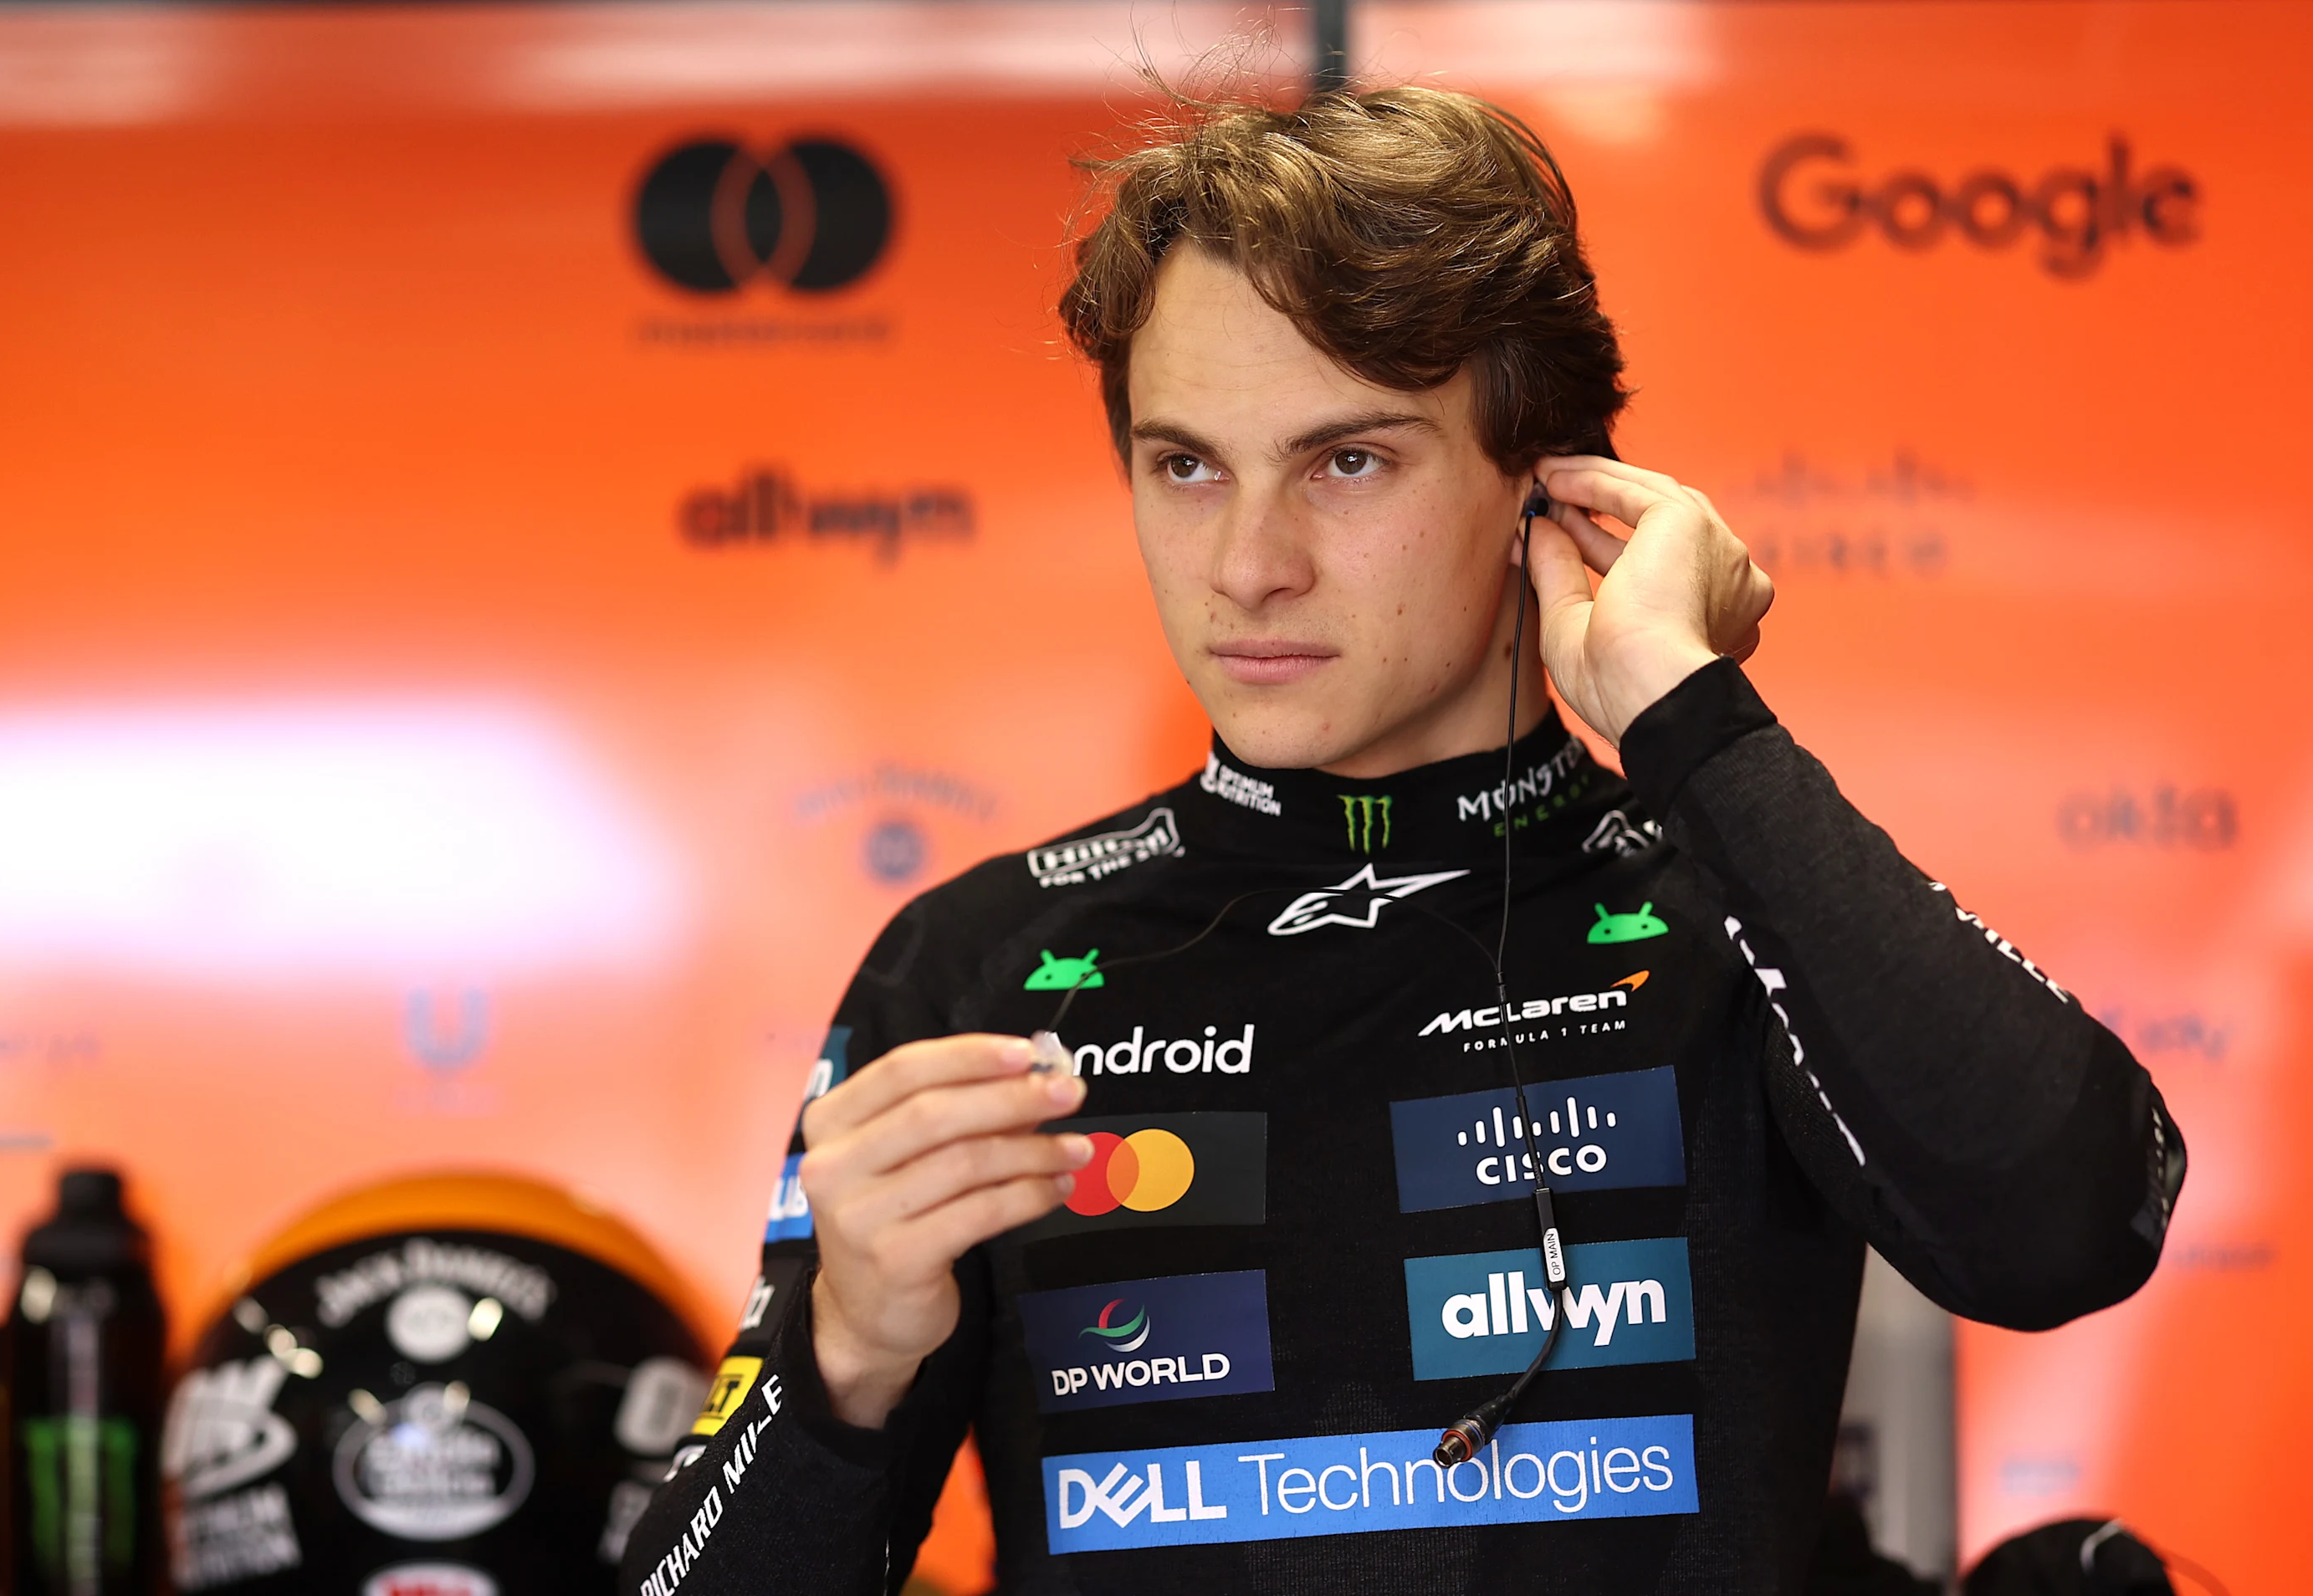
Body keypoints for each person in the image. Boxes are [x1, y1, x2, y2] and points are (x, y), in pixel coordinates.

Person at [620, 84, 2182, 1595]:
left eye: (1346, 461)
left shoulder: (1731, 895)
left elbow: (2068, 1230)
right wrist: (844, 1362)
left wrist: (1690, 722)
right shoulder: (976, 965)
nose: (1248, 564)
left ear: (1543, 484)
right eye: (1186, 467)